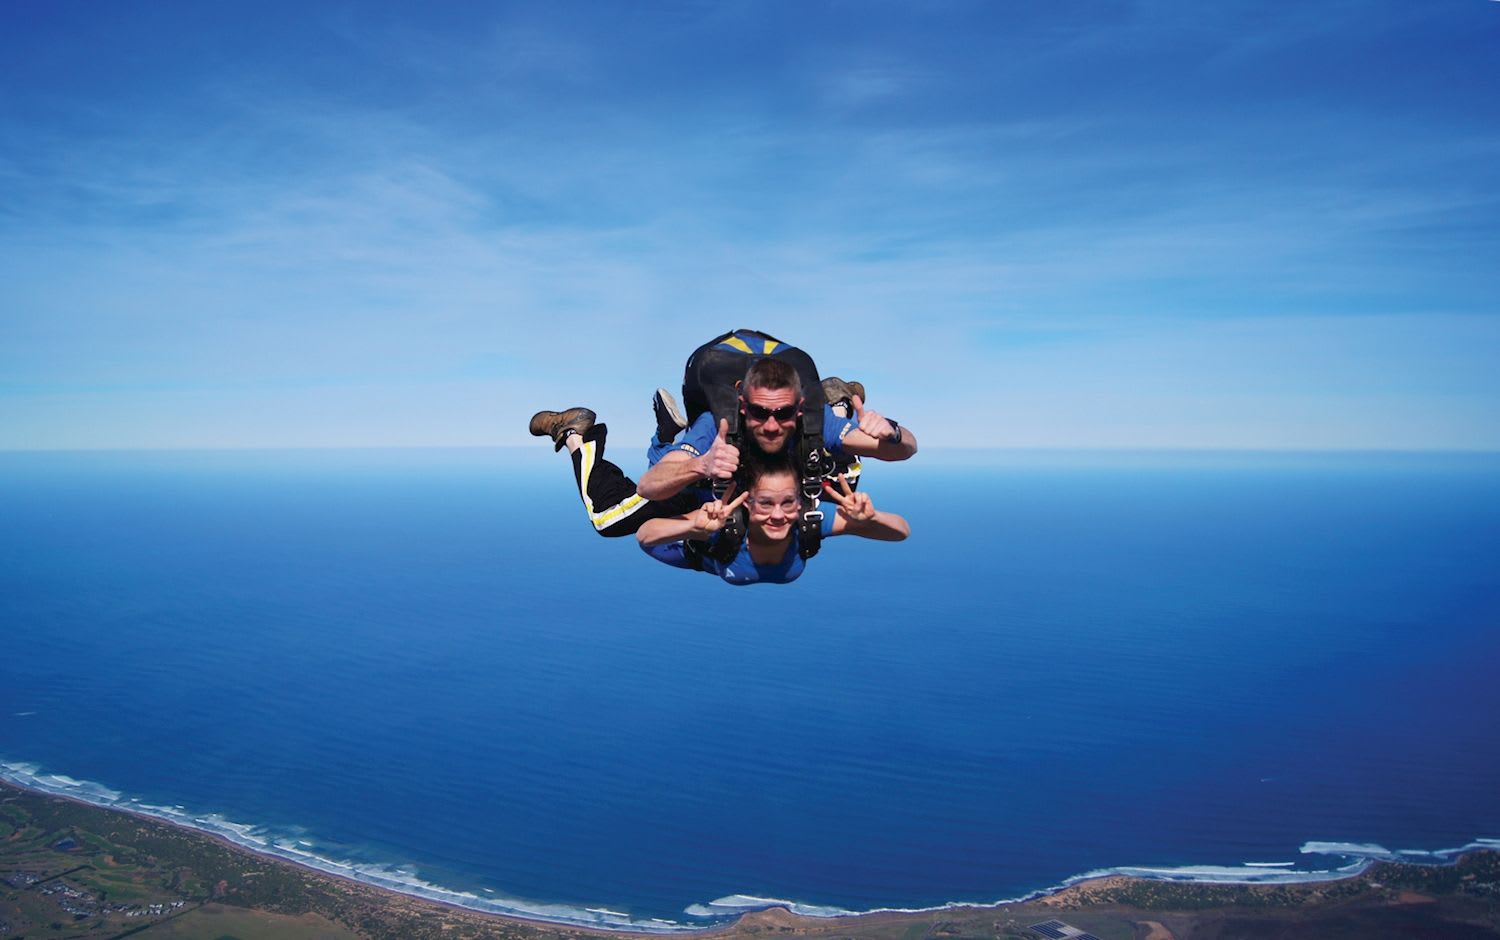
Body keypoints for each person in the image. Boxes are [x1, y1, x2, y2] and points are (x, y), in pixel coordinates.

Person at [637, 358, 917, 502]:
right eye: (759, 412)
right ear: (742, 404)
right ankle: (665, 435)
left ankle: (839, 413)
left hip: (788, 486)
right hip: (711, 487)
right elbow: (649, 484)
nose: (771, 425)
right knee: (610, 519)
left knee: (839, 481)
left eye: (783, 413)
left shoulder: (815, 420)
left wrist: (892, 432)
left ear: (800, 405)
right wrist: (701, 465)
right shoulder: (717, 423)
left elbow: (904, 449)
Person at [637, 452, 909, 586]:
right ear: (749, 503)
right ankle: (670, 440)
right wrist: (692, 527)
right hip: (692, 550)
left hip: (715, 539)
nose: (778, 515)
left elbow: (900, 531)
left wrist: (871, 519)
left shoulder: (809, 520)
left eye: (788, 502)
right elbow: (646, 537)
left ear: (800, 501)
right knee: (614, 519)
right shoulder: (721, 524)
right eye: (766, 503)